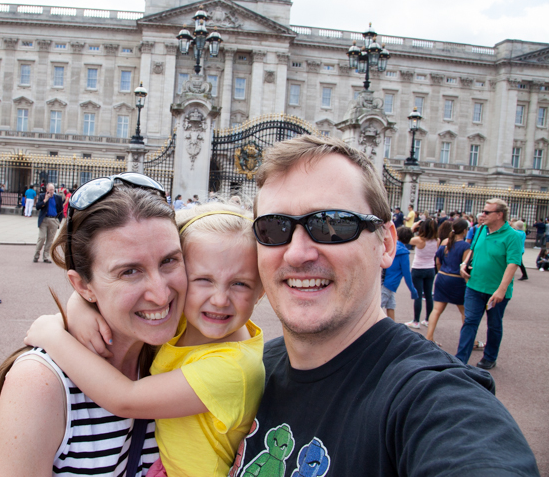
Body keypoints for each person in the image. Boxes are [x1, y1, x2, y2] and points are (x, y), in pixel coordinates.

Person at [229, 135, 538, 476]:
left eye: (332, 224)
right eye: (273, 228)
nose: (298, 253)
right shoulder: (249, 368)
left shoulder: (432, 397)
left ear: (387, 244)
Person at [25, 201, 265, 476]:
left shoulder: (235, 369)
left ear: (261, 291)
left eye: (240, 284)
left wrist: (53, 336)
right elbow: (103, 287)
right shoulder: (194, 322)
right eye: (203, 280)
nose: (220, 300)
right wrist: (79, 305)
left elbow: (125, 398)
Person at [0, 176, 180, 475]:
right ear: (82, 286)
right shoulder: (40, 383)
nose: (162, 293)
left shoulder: (186, 347)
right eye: (129, 271)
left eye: (169, 261)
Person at [456, 198, 523, 370]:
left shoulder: (513, 236)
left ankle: (490, 357)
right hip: (474, 285)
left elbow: (513, 263)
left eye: (487, 212)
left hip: (496, 290)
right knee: (470, 321)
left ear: (499, 215)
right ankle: (460, 359)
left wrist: (502, 289)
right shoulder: (481, 229)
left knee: (493, 325)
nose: (482, 214)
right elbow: (473, 249)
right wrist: (464, 264)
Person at [426, 219, 471, 346]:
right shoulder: (466, 246)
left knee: (436, 310)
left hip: (442, 277)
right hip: (456, 279)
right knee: (465, 312)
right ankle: (468, 340)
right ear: (464, 230)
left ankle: (429, 337)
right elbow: (464, 265)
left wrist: (442, 272)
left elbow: (438, 262)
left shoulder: (445, 243)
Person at [405, 218, 438, 329]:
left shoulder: (419, 240)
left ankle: (416, 321)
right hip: (430, 269)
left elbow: (404, 237)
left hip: (418, 268)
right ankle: (428, 319)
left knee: (418, 295)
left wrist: (413, 227)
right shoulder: (437, 240)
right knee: (428, 295)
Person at [381, 226, 418, 321]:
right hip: (390, 283)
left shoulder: (391, 246)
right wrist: (413, 290)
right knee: (378, 308)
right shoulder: (404, 254)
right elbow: (407, 274)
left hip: (383, 280)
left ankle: (391, 328)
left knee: (391, 305)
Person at [33, 183, 64, 263]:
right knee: (41, 238)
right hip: (44, 220)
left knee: (50, 240)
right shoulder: (42, 196)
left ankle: (46, 256)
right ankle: (36, 255)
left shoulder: (58, 197)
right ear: (47, 190)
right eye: (50, 190)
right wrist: (45, 200)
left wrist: (58, 221)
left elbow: (61, 210)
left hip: (53, 220)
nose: (52, 191)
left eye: (53, 189)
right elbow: (37, 207)